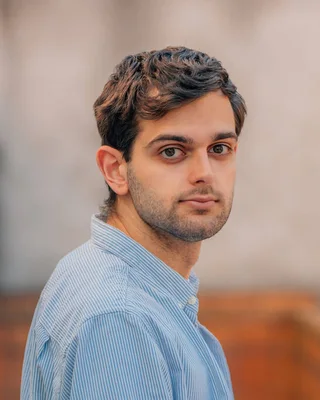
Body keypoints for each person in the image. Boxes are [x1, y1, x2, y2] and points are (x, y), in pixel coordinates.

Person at [21, 46, 246, 399]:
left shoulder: (97, 270)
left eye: (219, 148)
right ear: (115, 169)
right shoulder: (119, 317)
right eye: (172, 151)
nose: (204, 173)